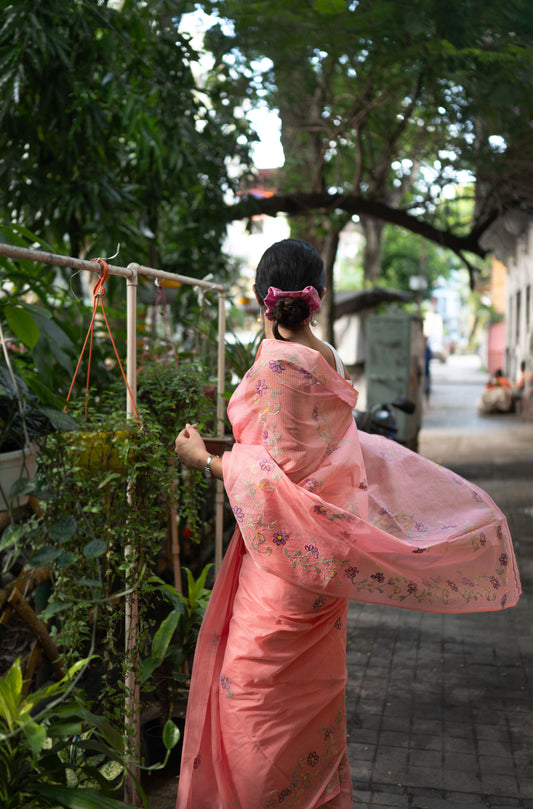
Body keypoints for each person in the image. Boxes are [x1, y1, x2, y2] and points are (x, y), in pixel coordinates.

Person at [174, 239, 521, 809]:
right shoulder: (329, 360)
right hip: (323, 567)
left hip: (278, 569)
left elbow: (268, 479)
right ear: (319, 299)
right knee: (307, 704)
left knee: (250, 700)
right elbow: (326, 461)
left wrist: (207, 461)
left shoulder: (271, 369)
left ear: (264, 301)